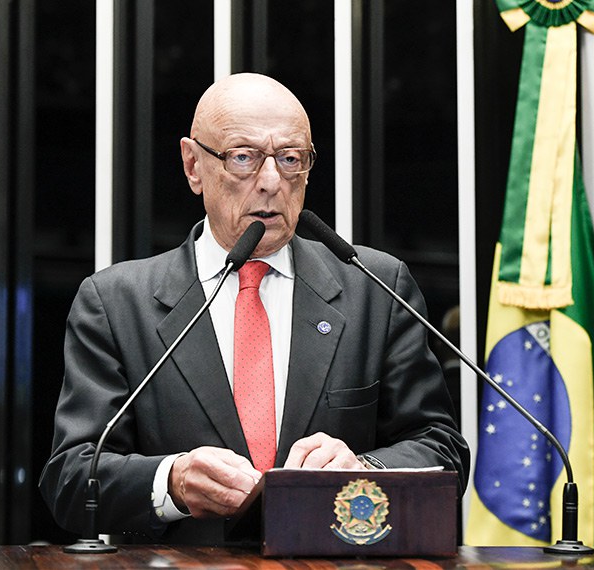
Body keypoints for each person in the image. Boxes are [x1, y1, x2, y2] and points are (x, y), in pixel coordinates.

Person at [39, 72, 469, 545]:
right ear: (193, 165)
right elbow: (71, 480)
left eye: (290, 160)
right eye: (244, 158)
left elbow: (443, 452)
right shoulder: (117, 303)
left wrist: (364, 468)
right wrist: (172, 482)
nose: (270, 182)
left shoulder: (375, 288)